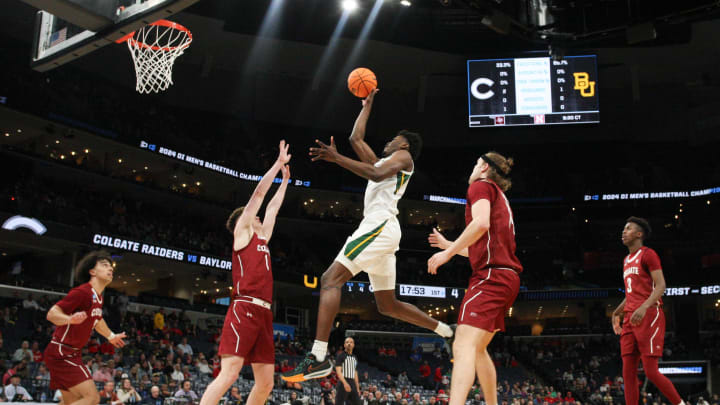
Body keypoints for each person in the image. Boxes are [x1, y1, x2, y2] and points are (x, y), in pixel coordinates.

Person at [282, 89, 452, 383]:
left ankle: (318, 357)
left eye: (393, 138)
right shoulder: (382, 165)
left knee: (329, 279)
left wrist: (336, 160)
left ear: (404, 143)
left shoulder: (403, 155)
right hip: (384, 232)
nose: (388, 142)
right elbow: (355, 140)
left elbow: (372, 174)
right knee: (388, 305)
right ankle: (445, 330)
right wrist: (367, 106)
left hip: (378, 227)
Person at [198, 140, 291, 405]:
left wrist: (285, 182)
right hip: (244, 308)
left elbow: (272, 208)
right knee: (230, 373)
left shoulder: (263, 239)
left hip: (264, 313)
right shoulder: (242, 235)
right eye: (255, 218)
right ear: (245, 222)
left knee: (266, 383)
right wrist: (277, 165)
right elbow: (260, 197)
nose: (260, 218)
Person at [427, 152, 522, 405]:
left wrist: (447, 253)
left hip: (491, 277)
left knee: (462, 345)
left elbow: (479, 224)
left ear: (483, 167)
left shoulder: (480, 186)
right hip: (506, 277)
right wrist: (451, 245)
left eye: (474, 164)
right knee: (478, 349)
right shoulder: (500, 196)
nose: (472, 169)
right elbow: (481, 247)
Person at [611, 217, 687, 405]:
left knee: (651, 371)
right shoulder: (626, 260)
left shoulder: (648, 254)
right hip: (630, 317)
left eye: (628, 229)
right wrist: (616, 313)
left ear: (639, 234)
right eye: (623, 228)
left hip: (649, 314)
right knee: (627, 373)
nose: (623, 232)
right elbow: (631, 294)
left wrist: (644, 307)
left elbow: (661, 286)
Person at [44, 250, 127, 405]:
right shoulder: (82, 292)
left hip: (70, 353)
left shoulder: (98, 296)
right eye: (104, 265)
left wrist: (110, 336)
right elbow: (52, 314)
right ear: (92, 271)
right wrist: (69, 319)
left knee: (72, 402)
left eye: (111, 266)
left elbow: (97, 319)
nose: (110, 269)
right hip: (62, 352)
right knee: (92, 398)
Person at [334, 337, 361, 405]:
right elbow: (338, 371)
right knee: (339, 403)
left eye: (351, 342)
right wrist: (345, 383)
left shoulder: (355, 357)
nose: (349, 343)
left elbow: (355, 372)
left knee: (357, 403)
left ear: (353, 345)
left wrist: (357, 388)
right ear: (344, 345)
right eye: (347, 342)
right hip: (343, 382)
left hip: (353, 383)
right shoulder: (340, 356)